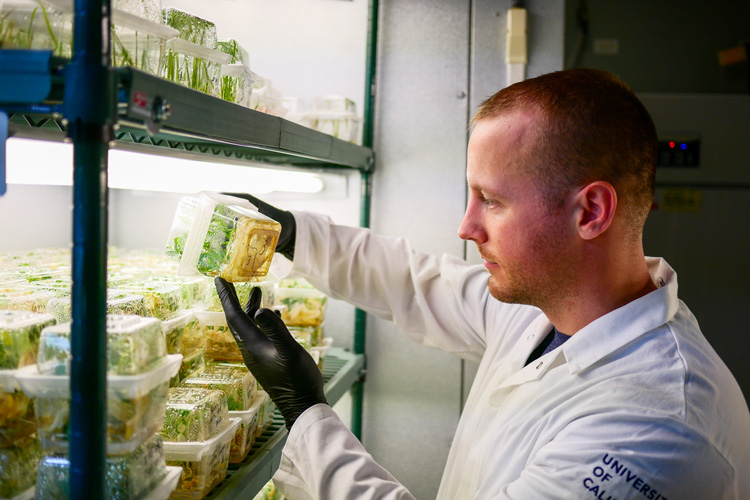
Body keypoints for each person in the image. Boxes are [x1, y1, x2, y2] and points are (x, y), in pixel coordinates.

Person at [216, 68, 750, 499]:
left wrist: (307, 413)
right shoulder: (546, 307)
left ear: (590, 211)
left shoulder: (657, 427)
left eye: (491, 200)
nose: (466, 227)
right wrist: (290, 234)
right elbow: (417, 283)